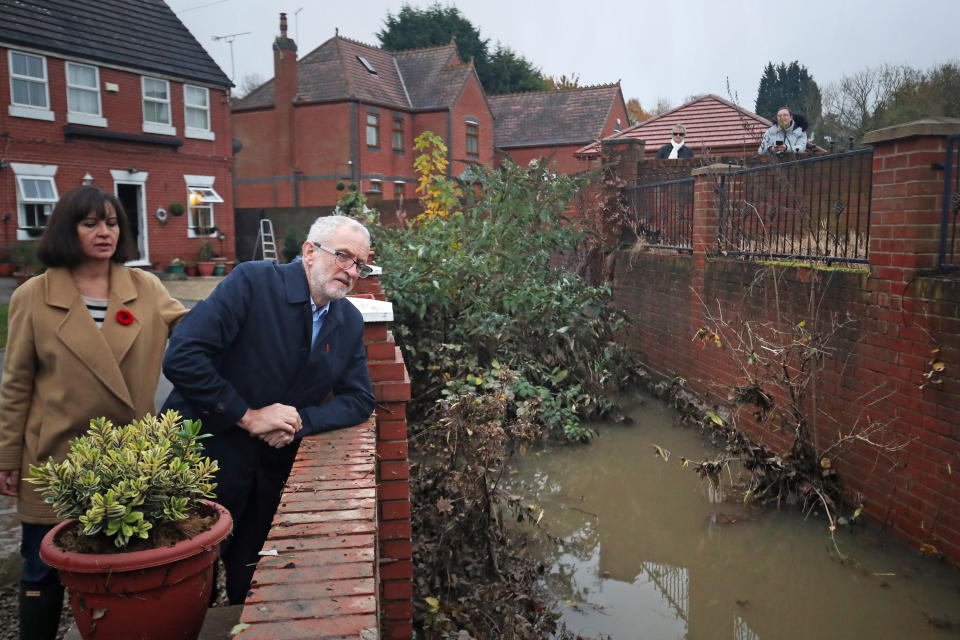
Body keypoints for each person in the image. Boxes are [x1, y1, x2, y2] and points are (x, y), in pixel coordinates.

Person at [0, 186, 187, 640]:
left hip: (128, 458)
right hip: (55, 459)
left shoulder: (146, 288)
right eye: (90, 223)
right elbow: (16, 384)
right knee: (40, 569)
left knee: (124, 567)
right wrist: (7, 458)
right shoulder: (34, 295)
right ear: (69, 228)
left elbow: (200, 337)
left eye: (112, 223)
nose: (104, 232)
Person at [161, 215, 376, 605]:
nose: (351, 271)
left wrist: (299, 422)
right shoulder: (253, 283)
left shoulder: (347, 321)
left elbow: (360, 399)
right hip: (202, 456)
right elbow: (183, 356)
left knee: (253, 578)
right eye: (343, 256)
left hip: (269, 471)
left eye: (359, 264)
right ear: (309, 252)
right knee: (190, 584)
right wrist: (248, 415)